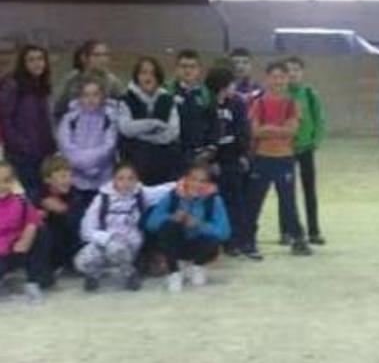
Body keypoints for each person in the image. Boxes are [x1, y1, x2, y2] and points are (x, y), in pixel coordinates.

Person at [74, 162, 173, 292]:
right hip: (105, 241)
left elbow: (164, 190)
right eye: (121, 178)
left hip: (129, 244)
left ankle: (129, 273)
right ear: (113, 180)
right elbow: (86, 229)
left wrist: (184, 184)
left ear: (137, 180)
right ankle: (95, 274)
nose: (126, 183)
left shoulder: (141, 194)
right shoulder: (102, 199)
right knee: (82, 261)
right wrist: (107, 239)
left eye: (130, 178)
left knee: (116, 250)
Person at [245, 61, 310, 258]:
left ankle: (298, 239)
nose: (278, 81)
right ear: (266, 79)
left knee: (288, 202)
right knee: (254, 201)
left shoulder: (292, 104)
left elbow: (292, 131)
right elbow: (255, 131)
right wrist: (279, 129)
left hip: (284, 159)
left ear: (287, 79)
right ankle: (249, 240)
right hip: (262, 158)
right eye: (274, 77)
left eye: (282, 77)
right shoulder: (259, 103)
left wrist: (269, 129)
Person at [144, 162, 230, 293]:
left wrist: (199, 225)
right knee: (168, 227)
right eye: (193, 179)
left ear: (208, 183)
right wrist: (171, 218)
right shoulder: (172, 196)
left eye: (202, 181)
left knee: (211, 240)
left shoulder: (214, 200)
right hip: (175, 244)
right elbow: (150, 223)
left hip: (199, 245)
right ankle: (174, 272)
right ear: (186, 179)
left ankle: (198, 265)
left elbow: (224, 232)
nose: (197, 184)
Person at [204, 66, 251, 257]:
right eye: (230, 85)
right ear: (221, 87)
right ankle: (217, 240)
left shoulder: (238, 104)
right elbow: (206, 133)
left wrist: (243, 154)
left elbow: (243, 130)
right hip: (216, 161)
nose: (234, 88)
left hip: (232, 158)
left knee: (236, 201)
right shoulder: (208, 106)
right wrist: (211, 159)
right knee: (216, 201)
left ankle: (236, 240)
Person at [0, 45, 57, 202]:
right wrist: (21, 144)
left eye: (40, 59)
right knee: (31, 196)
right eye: (31, 60)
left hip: (43, 152)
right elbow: (5, 119)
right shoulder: (12, 85)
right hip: (22, 154)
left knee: (44, 195)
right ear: (23, 63)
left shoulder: (42, 85)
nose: (37, 63)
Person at [57, 75, 119, 211]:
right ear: (79, 97)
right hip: (75, 181)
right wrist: (84, 166)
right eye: (86, 95)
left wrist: (90, 166)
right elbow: (66, 147)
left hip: (102, 180)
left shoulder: (110, 117)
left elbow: (108, 147)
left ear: (102, 96)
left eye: (95, 95)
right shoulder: (69, 119)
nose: (90, 99)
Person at [118, 57, 182, 185]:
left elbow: (172, 133)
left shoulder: (168, 100)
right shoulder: (125, 99)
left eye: (152, 73)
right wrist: (154, 124)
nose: (148, 77)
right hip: (134, 168)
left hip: (165, 168)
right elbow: (126, 128)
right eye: (144, 72)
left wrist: (140, 134)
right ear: (137, 76)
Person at [285, 57, 327, 246]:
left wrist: (315, 140)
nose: (293, 73)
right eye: (289, 70)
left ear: (303, 73)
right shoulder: (280, 95)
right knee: (286, 191)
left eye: (296, 70)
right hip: (284, 150)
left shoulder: (310, 94)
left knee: (309, 191)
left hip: (305, 149)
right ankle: (287, 231)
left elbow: (319, 120)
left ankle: (314, 231)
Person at [0, 161, 52, 303]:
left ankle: (32, 282)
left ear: (13, 182)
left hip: (18, 249)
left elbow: (33, 221)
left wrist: (26, 239)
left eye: (6, 181)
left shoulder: (21, 202)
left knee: (41, 232)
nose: (1, 186)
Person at [166, 49, 218, 165]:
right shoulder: (167, 92)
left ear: (199, 70)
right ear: (176, 69)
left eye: (192, 66)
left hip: (198, 155)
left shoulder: (207, 94)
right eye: (183, 66)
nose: (188, 70)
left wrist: (210, 149)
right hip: (171, 153)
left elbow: (214, 124)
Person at [54, 40, 125, 121]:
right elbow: (59, 109)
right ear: (84, 57)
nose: (102, 59)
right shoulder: (72, 79)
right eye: (97, 55)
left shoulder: (112, 81)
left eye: (105, 55)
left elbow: (124, 109)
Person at [38, 155, 82, 273]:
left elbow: (78, 225)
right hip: (50, 248)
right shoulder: (39, 196)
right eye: (63, 176)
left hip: (70, 245)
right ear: (47, 179)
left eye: (70, 176)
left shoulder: (75, 196)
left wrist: (65, 211)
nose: (68, 180)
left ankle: (68, 263)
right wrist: (40, 212)